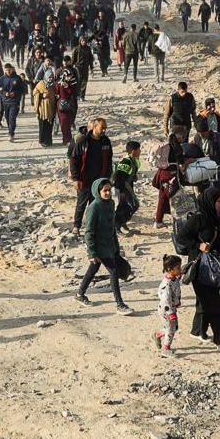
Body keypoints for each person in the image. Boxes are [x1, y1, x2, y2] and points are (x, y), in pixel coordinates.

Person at [173, 182, 220, 352]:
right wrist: (198, 245)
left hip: (213, 268)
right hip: (199, 269)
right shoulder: (198, 218)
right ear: (209, 202)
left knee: (206, 301)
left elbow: (219, 242)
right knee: (213, 303)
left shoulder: (215, 218)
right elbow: (182, 237)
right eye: (219, 201)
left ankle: (198, 330)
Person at [76, 179, 130, 310]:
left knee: (93, 269)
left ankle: (80, 293)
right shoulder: (94, 207)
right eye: (104, 190)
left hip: (109, 245)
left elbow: (111, 228)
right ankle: (120, 304)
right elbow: (88, 232)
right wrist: (92, 253)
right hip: (99, 247)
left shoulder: (110, 204)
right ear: (98, 191)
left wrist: (116, 247)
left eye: (109, 190)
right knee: (113, 272)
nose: (107, 193)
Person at [71, 117, 114, 227]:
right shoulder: (83, 141)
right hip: (84, 178)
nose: (104, 130)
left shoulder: (106, 141)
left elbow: (109, 159)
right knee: (81, 203)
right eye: (102, 128)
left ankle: (92, 225)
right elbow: (74, 160)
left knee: (96, 204)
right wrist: (75, 179)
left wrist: (108, 177)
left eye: (105, 128)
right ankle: (77, 226)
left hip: (99, 179)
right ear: (94, 127)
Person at [153, 254, 185, 352]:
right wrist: (170, 313)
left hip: (170, 308)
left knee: (172, 328)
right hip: (166, 310)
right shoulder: (167, 285)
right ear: (170, 269)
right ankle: (166, 349)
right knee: (171, 330)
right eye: (178, 268)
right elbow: (165, 299)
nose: (180, 270)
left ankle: (158, 335)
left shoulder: (173, 279)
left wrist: (177, 302)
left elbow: (175, 291)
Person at [34, 74, 58, 147]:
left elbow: (56, 94)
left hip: (51, 108)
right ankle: (42, 140)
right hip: (42, 109)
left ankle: (48, 140)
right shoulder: (41, 83)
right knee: (43, 125)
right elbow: (35, 93)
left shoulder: (53, 86)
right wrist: (42, 95)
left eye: (52, 77)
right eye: (49, 77)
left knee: (49, 125)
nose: (50, 79)